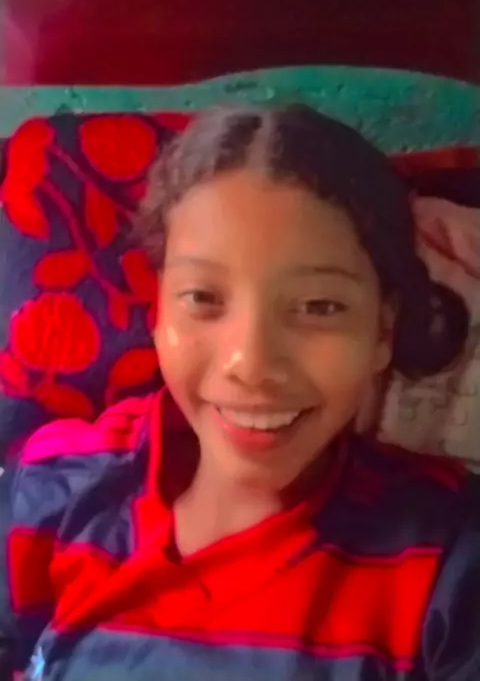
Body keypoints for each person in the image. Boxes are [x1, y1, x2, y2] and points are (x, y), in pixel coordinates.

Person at [5, 105, 480, 681]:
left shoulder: (447, 557)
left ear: (382, 330)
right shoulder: (54, 490)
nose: (251, 365)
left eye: (318, 307)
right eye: (204, 298)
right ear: (158, 311)